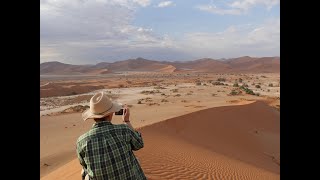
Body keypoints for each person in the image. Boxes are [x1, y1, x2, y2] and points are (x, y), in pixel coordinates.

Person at [76, 91, 146, 180]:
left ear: (93, 116)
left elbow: (84, 164)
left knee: (84, 173)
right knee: (137, 161)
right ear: (110, 114)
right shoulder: (124, 130)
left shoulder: (82, 141)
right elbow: (139, 144)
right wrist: (126, 121)